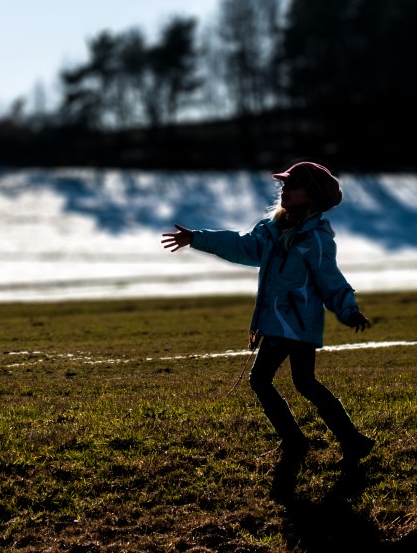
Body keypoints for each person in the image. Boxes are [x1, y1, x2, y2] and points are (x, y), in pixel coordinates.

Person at [160, 161, 375, 472]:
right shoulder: (272, 232)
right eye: (284, 185)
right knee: (305, 383)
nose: (285, 190)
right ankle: (350, 440)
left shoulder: (314, 239)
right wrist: (197, 238)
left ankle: (299, 441)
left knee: (263, 380)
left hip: (294, 324)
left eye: (293, 186)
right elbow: (241, 245)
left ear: (311, 196)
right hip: (280, 322)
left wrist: (348, 308)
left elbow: (331, 280)